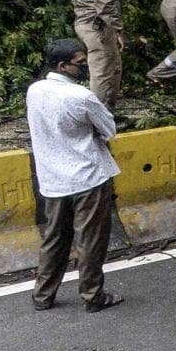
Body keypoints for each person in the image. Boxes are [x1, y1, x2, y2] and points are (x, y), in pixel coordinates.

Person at [26, 39, 123, 312]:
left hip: (53, 180)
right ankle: (93, 296)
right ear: (63, 66)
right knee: (90, 239)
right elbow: (109, 129)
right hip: (87, 178)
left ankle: (43, 295)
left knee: (54, 239)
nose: (84, 67)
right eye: (80, 64)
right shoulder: (81, 97)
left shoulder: (35, 90)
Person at [66, 0, 130, 112]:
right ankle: (99, 119)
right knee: (102, 73)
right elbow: (106, 7)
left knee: (113, 67)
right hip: (98, 27)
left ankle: (107, 114)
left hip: (86, 23)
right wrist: (121, 32)